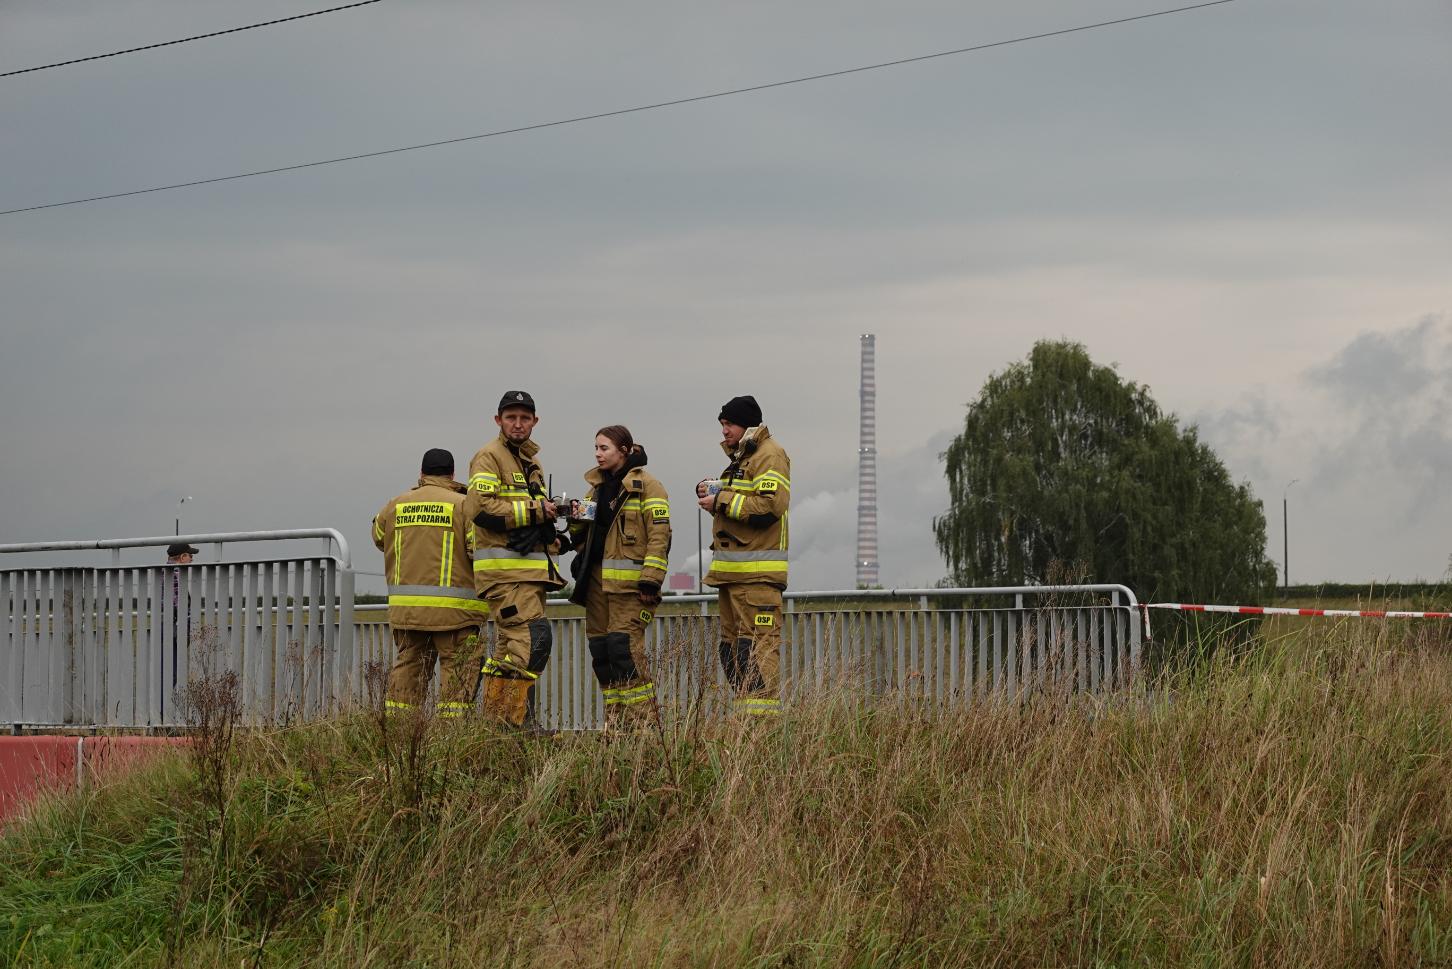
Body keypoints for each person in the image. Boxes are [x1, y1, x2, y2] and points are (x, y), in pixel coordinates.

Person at [463, 391, 568, 726]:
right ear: (498, 420)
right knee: (534, 641)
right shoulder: (489, 456)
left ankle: (495, 724)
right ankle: (515, 724)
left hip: (527, 574)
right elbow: (479, 509)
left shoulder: (530, 461)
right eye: (511, 418)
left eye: (525, 418)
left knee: (509, 651)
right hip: (504, 576)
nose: (518, 424)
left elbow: (525, 520)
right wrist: (537, 510)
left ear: (534, 422)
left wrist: (551, 532)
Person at [371, 448, 489, 718]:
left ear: (421, 474)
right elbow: (477, 550)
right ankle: (451, 739)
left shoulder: (395, 504)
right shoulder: (463, 505)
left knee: (408, 671)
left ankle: (401, 734)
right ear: (452, 474)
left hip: (407, 612)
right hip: (455, 614)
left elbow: (378, 537)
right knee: (458, 675)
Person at [566, 426, 671, 730]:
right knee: (602, 653)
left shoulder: (648, 486)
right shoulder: (595, 489)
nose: (598, 454)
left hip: (630, 589)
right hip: (597, 586)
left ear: (623, 451)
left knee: (624, 652)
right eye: (596, 448)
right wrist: (574, 519)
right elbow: (581, 538)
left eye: (604, 448)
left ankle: (645, 730)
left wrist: (651, 579)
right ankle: (617, 727)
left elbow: (659, 536)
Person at [697, 395, 791, 717]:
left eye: (729, 424)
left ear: (748, 425)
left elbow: (768, 509)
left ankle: (762, 738)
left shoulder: (770, 455)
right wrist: (715, 497)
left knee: (758, 656)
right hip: (731, 577)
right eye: (722, 424)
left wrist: (720, 498)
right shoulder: (742, 459)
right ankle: (744, 733)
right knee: (734, 655)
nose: (724, 431)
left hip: (757, 579)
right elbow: (739, 514)